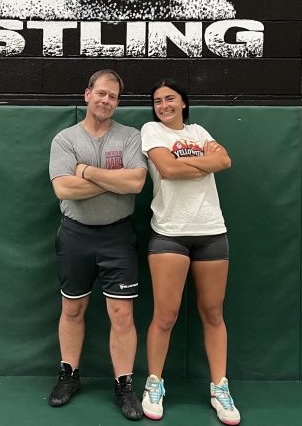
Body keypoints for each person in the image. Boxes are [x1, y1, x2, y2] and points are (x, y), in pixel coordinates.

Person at [48, 69, 147, 420]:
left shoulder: (131, 137)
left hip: (118, 235)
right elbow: (63, 189)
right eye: (101, 93)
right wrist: (114, 181)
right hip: (75, 233)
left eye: (114, 96)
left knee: (121, 314)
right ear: (87, 94)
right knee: (72, 309)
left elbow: (136, 183)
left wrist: (86, 172)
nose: (107, 101)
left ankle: (124, 385)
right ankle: (69, 375)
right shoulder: (64, 140)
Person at [140, 78, 240, 425]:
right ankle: (154, 383)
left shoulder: (199, 130)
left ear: (184, 102)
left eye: (169, 98)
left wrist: (195, 163)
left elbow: (225, 161)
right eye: (157, 100)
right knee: (165, 316)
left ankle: (219, 387)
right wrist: (203, 161)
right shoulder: (152, 132)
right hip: (170, 234)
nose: (163, 105)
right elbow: (166, 169)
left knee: (213, 314)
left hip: (212, 232)